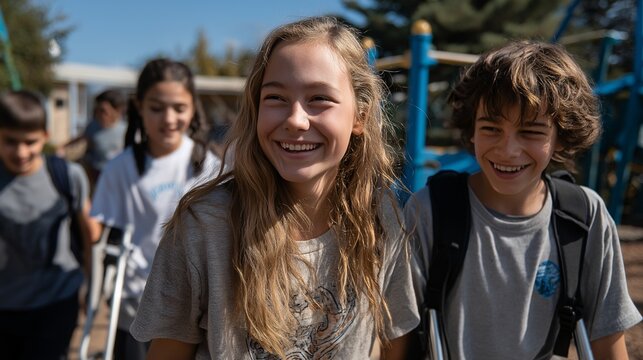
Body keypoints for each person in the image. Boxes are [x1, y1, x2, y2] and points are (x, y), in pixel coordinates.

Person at [130, 16, 419, 359]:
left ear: (360, 115)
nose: (295, 119)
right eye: (276, 98)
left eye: (319, 99)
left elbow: (392, 341)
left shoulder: (380, 220)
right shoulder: (204, 227)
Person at [406, 40, 642, 359]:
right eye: (491, 128)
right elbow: (398, 337)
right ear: (471, 129)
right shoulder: (429, 210)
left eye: (531, 132)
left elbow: (608, 343)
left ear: (561, 135)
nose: (508, 150)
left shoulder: (584, 217)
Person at [89, 58, 222, 359]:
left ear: (193, 107)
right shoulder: (120, 169)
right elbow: (103, 234)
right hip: (136, 302)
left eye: (179, 107)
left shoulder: (210, 167)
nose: (169, 118)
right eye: (156, 108)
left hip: (194, 307)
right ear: (139, 106)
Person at [0, 90, 93, 359]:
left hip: (55, 303)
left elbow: (90, 235)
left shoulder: (66, 176)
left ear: (45, 137)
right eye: (10, 141)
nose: (20, 152)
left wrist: (90, 288)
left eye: (30, 142)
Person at [60, 89, 127, 190]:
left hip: (118, 179)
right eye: (97, 110)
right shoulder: (93, 126)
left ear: (117, 111)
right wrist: (63, 148)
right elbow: (81, 140)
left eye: (104, 111)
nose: (100, 114)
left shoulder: (125, 130)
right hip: (95, 177)